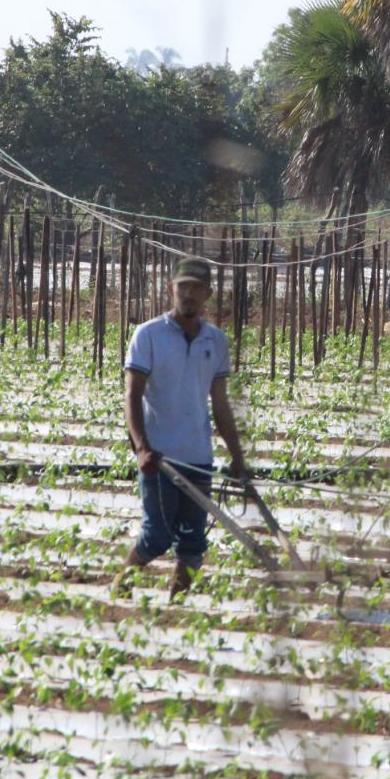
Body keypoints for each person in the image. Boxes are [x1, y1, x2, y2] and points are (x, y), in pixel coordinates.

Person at [119, 255, 246, 598]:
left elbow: (220, 405)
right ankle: (119, 589)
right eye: (183, 287)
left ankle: (176, 611)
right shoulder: (148, 336)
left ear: (207, 294)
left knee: (192, 543)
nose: (189, 294)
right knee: (156, 537)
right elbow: (133, 395)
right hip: (159, 458)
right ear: (171, 289)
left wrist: (237, 457)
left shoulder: (215, 342)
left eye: (197, 288)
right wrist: (142, 446)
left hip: (198, 459)